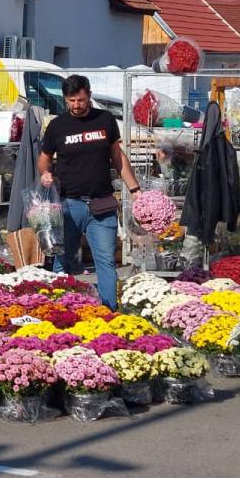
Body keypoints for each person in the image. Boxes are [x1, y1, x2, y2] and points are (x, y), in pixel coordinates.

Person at [36, 74, 141, 310]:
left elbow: (117, 157)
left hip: (101, 205)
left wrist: (135, 189)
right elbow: (43, 160)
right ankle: (60, 311)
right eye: (71, 100)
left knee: (105, 261)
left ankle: (109, 311)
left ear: (89, 95)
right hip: (68, 205)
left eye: (80, 100)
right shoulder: (57, 126)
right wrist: (45, 173)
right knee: (63, 260)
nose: (76, 105)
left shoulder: (105, 120)